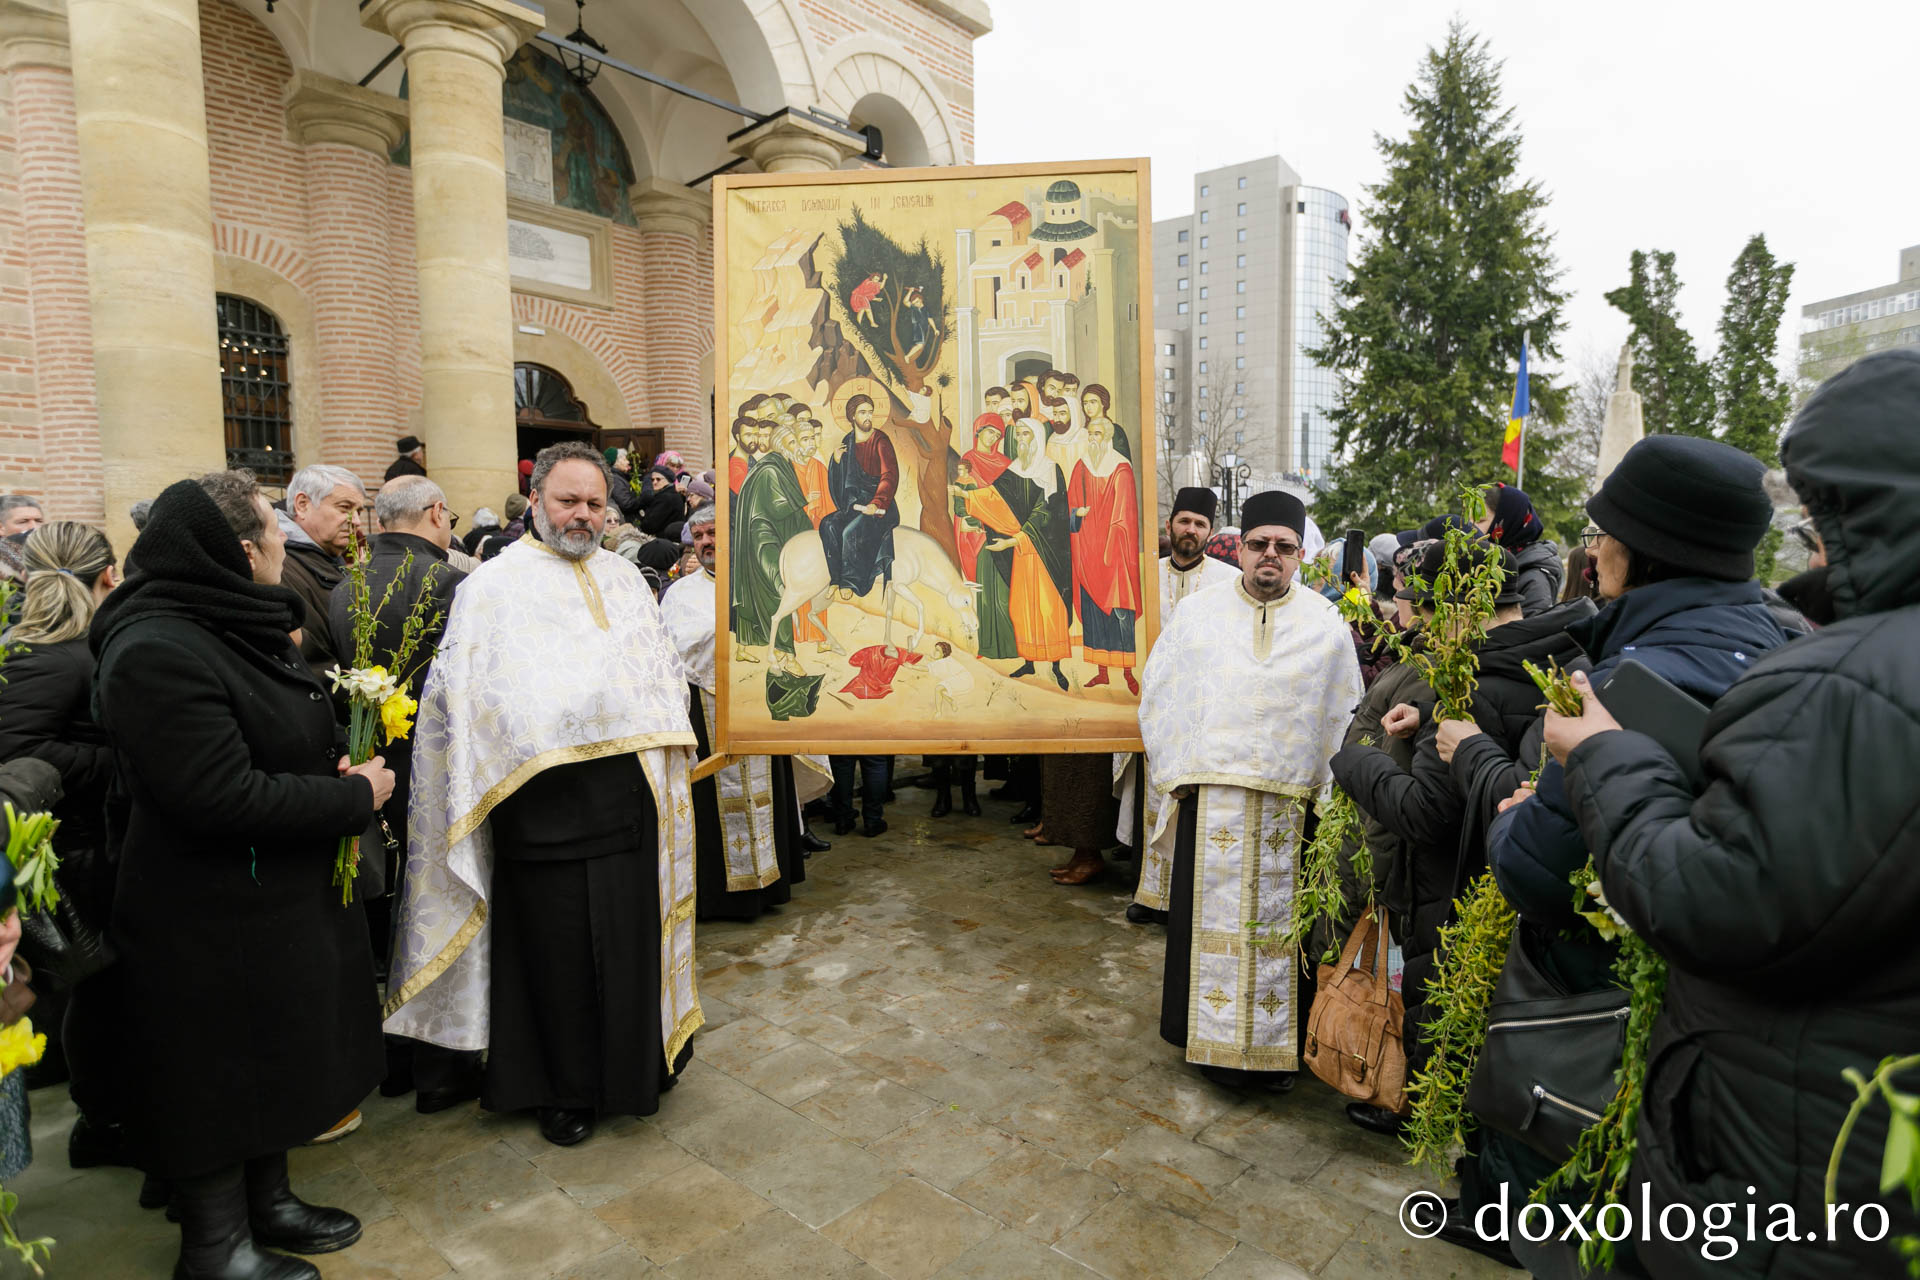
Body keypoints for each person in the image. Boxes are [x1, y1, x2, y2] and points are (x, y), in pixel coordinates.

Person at [1533, 351, 1920, 1279]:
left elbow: (1718, 891)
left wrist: (1597, 756)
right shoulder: (1813, 646)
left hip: (1788, 1162)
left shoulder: (1850, 679)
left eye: (1820, 516)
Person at [1454, 434, 1789, 1274]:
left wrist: (1515, 806)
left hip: (1590, 1034)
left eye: (1606, 532)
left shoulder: (1637, 678)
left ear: (1646, 551)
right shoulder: (1790, 642)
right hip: (1721, 1053)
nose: (1593, 548)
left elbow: (1538, 871)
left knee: (1568, 1241)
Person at [92, 472, 392, 1280]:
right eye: (271, 527)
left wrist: (320, 757)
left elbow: (263, 734)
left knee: (272, 1062)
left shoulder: (226, 624)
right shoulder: (157, 647)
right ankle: (216, 1248)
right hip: (205, 913)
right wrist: (350, 795)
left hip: (266, 900)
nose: (280, 542)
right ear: (237, 551)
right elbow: (215, 796)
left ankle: (271, 1204)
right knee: (217, 1077)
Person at [384, 442, 700, 1150]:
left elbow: (658, 675)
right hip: (541, 810)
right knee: (554, 963)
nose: (583, 515)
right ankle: (561, 1090)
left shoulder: (623, 579)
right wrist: (556, 724)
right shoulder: (492, 587)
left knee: (625, 946)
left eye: (594, 503)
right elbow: (470, 702)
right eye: (568, 501)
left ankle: (634, 1068)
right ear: (536, 502)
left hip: (628, 804)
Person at [1330, 539, 1591, 1141]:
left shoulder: (1466, 679)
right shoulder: (1551, 656)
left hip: (1451, 885)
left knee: (1442, 996)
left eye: (1420, 613)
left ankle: (1422, 1108)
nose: (1413, 629)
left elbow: (1426, 813)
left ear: (1456, 610)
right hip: (1513, 877)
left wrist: (1357, 761)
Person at [1139, 490, 1360, 1089]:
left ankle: (1277, 1054)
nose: (1270, 556)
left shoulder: (1327, 625)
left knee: (1282, 937)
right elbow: (1161, 692)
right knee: (1206, 932)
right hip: (1212, 801)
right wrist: (1174, 773)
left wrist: (1332, 797)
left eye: (1283, 547)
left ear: (1298, 554)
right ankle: (1206, 1044)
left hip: (1293, 810)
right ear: (1239, 547)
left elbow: (1345, 713)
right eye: (1259, 543)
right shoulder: (1199, 615)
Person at [324, 475, 481, 1114]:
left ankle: (392, 1061)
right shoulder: (454, 584)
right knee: (444, 908)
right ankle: (445, 1061)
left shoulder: (344, 588)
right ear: (438, 514)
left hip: (369, 771)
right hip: (442, 771)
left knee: (386, 916)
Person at [0, 525, 118, 1167]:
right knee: (93, 990)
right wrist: (112, 757)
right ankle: (99, 1124)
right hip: (73, 846)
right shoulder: (43, 651)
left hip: (86, 840)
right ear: (106, 575)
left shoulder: (68, 645)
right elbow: (16, 752)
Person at [662, 505, 831, 921]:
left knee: (766, 795)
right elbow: (673, 652)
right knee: (712, 807)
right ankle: (722, 897)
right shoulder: (681, 594)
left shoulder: (762, 580)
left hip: (758, 711)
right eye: (698, 536)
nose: (706, 542)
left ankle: (770, 887)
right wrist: (728, 630)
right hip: (707, 716)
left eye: (713, 533)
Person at [1124, 487, 1238, 926]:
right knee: (1155, 797)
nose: (1191, 529)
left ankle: (1187, 902)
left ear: (1210, 531)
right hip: (1156, 708)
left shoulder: (1227, 581)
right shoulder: (1142, 575)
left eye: (1200, 523)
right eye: (1184, 520)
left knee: (1193, 806)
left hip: (1204, 712)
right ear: (1170, 523)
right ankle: (1152, 896)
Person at [954, 419, 1072, 690]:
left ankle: (1056, 666)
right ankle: (1030, 661)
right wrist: (966, 495)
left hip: (1045, 554)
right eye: (1017, 435)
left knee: (1048, 609)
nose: (1021, 439)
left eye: (1026, 434)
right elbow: (995, 498)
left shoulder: (1051, 470)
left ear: (1038, 438)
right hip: (1021, 552)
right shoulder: (1016, 469)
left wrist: (1014, 540)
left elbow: (1047, 513)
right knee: (1022, 606)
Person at [1066, 412, 1142, 694]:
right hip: (1088, 552)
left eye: (1097, 435)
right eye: (1090, 435)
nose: (1092, 440)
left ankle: (1128, 672)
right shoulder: (1082, 467)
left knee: (1120, 612)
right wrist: (1077, 514)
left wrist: (1111, 548)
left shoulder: (1121, 469)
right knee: (1093, 612)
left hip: (1115, 555)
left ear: (1108, 438)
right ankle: (1101, 672)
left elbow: (1124, 516)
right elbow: (1071, 505)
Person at [277, 464, 367, 680]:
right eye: (345, 508)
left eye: (359, 512)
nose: (356, 521)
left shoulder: (327, 559)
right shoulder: (279, 567)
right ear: (302, 505)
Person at [732, 423, 812, 665]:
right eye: (792, 443)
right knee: (781, 592)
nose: (796, 448)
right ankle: (786, 654)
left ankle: (763, 648)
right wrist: (803, 508)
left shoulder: (781, 466)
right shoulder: (769, 470)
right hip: (762, 540)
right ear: (780, 446)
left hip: (771, 537)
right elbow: (779, 509)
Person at [819, 394, 901, 597]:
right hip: (855, 504)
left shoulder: (880, 441)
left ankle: (851, 582)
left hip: (881, 506)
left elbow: (889, 476)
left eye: (870, 412)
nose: (867, 417)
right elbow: (843, 482)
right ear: (852, 416)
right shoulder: (848, 441)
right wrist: (836, 462)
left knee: (850, 532)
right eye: (862, 412)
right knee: (828, 524)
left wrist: (877, 501)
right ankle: (836, 580)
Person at [1475, 482, 1561, 614]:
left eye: (1480, 521)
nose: (1471, 528)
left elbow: (1531, 631)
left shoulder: (1534, 579)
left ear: (1507, 521)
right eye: (1469, 520)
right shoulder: (1487, 565)